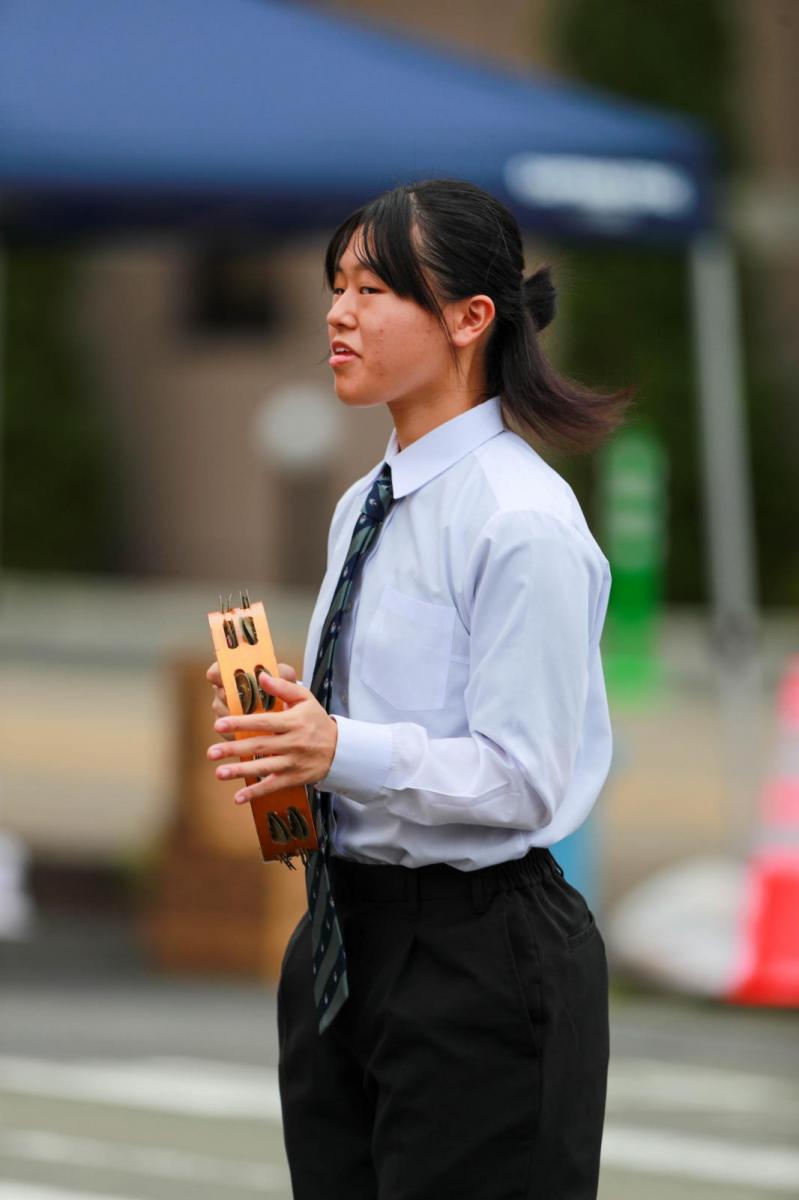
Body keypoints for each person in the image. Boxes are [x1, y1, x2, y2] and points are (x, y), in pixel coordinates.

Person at [206, 177, 634, 1199]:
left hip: (481, 955)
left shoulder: (522, 520)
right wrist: (291, 743)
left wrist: (337, 747)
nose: (338, 313)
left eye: (373, 289)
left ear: (467, 319)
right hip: (344, 936)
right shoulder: (368, 499)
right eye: (336, 285)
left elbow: (525, 779)